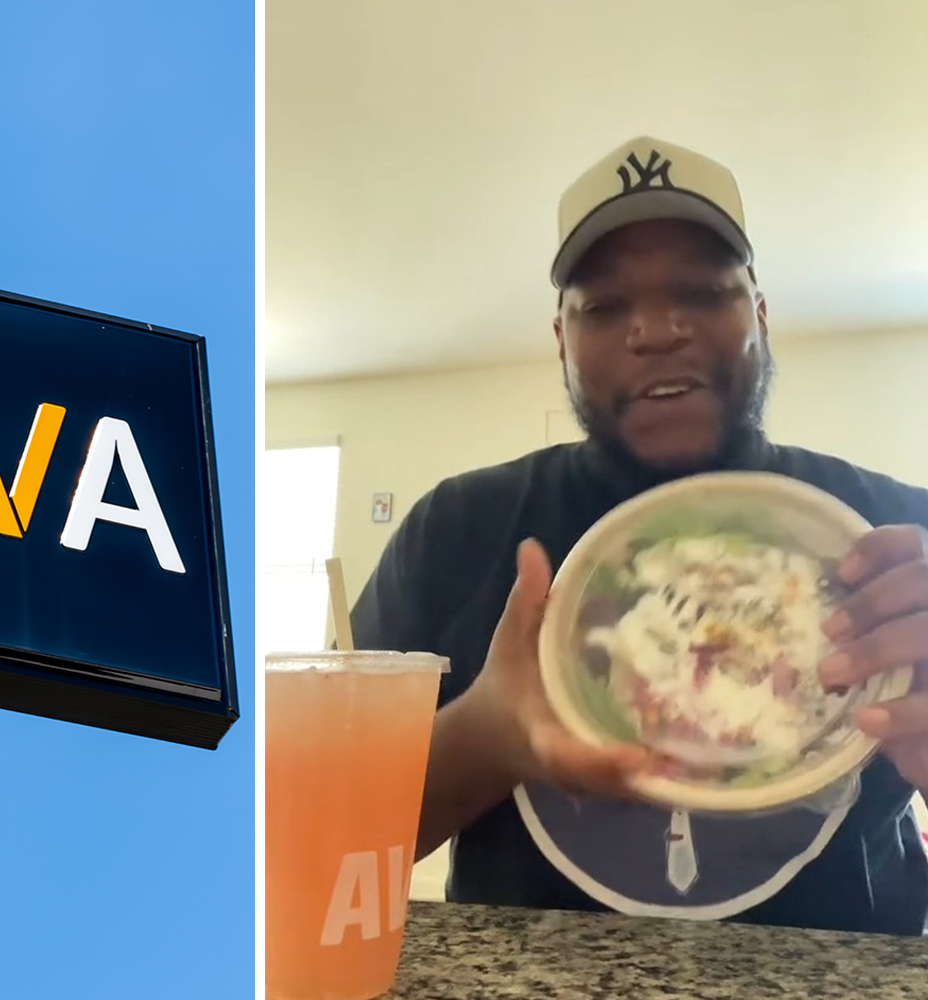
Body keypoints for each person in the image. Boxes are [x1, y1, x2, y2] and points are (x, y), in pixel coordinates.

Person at [354, 135, 928, 935]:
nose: (656, 330)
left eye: (701, 292)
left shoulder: (901, 540)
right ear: (563, 340)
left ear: (760, 317)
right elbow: (313, 839)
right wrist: (488, 738)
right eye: (605, 306)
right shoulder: (457, 529)